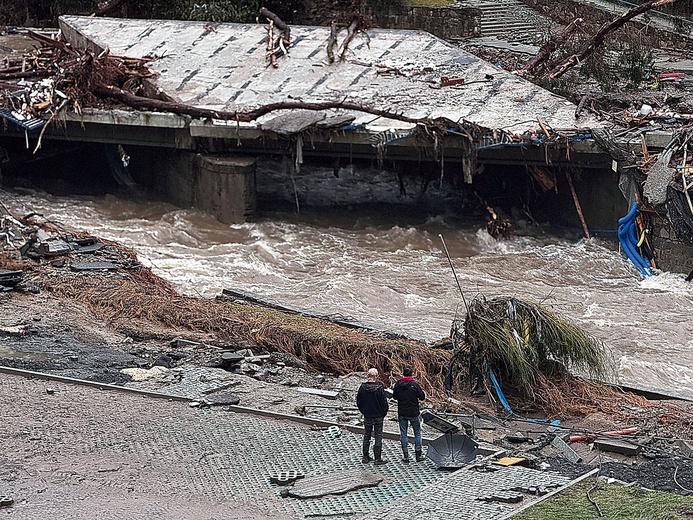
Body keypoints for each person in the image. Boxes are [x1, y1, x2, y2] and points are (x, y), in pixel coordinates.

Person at [356, 368, 389, 464]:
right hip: (378, 415)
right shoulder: (379, 388)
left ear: (368, 376)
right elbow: (384, 403)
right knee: (378, 436)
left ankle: (365, 457)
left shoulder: (362, 388)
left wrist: (364, 411)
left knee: (367, 435)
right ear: (376, 376)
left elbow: (359, 402)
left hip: (367, 415)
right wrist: (383, 413)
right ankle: (377, 458)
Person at [393, 367, 426, 462]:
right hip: (413, 412)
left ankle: (406, 456)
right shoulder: (414, 385)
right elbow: (422, 397)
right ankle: (418, 455)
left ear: (403, 374)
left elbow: (394, 397)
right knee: (417, 432)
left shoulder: (398, 384)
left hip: (402, 412)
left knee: (403, 433)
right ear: (412, 374)